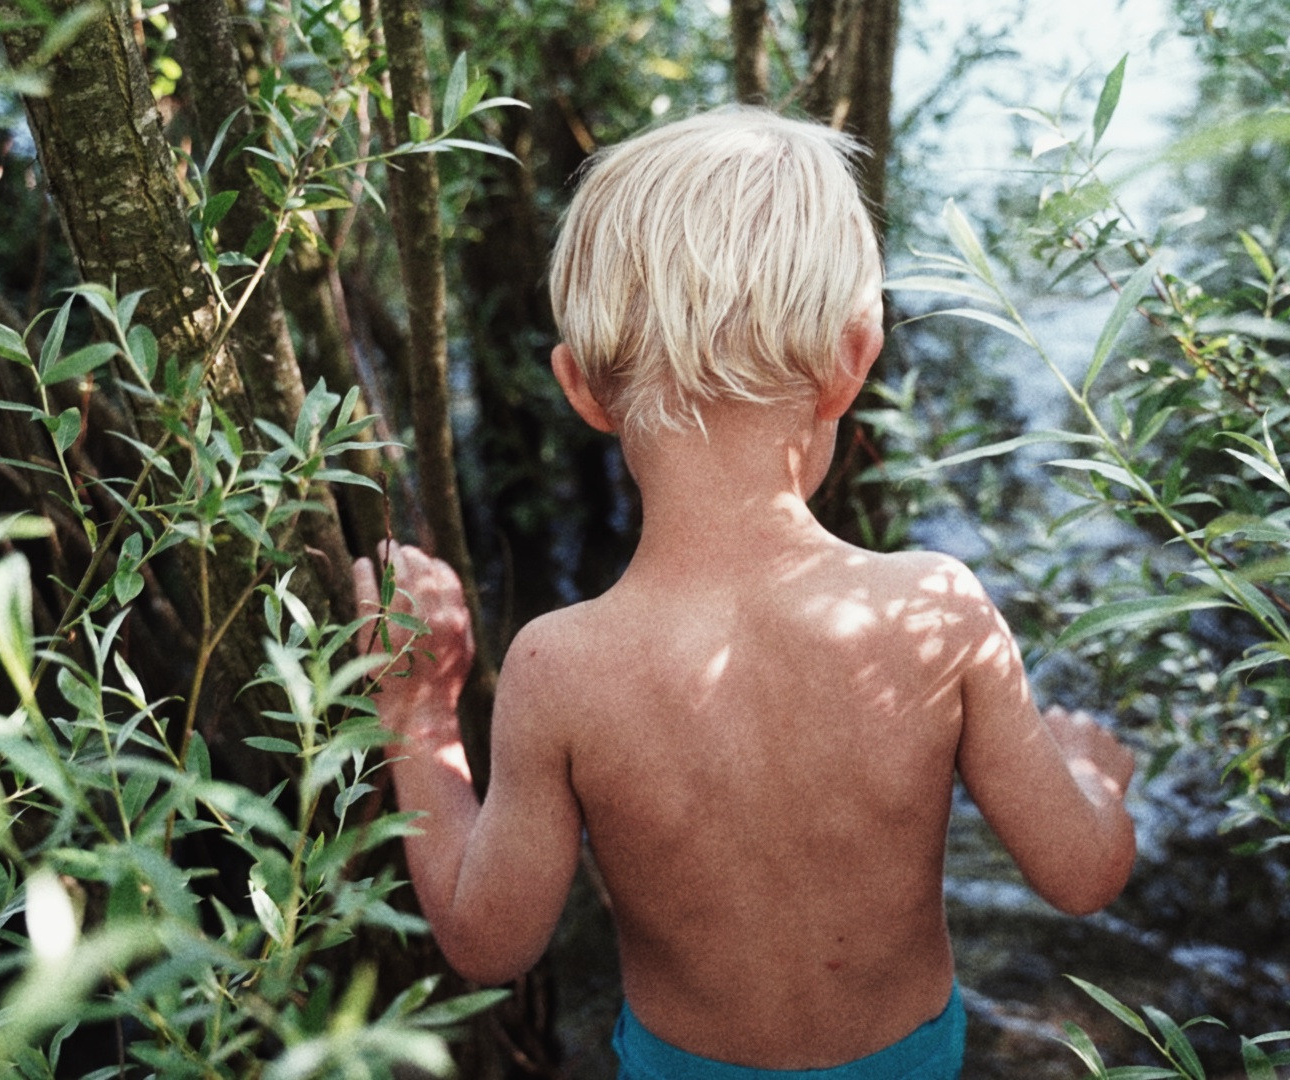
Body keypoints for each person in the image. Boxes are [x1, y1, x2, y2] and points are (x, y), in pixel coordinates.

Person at [352, 106, 1137, 1080]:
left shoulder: (559, 668)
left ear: (580, 388)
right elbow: (1082, 874)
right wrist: (1088, 772)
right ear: (853, 358)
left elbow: (486, 939)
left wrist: (418, 709)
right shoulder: (932, 610)